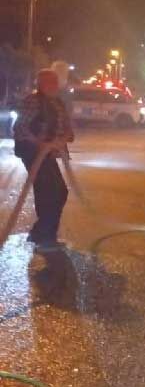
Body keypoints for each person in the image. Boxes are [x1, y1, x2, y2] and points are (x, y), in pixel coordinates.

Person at [13, 68, 75, 252]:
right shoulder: (33, 101)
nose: (54, 85)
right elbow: (20, 127)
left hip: (49, 154)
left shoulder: (57, 102)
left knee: (58, 192)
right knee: (51, 192)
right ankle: (45, 236)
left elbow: (66, 127)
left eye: (55, 81)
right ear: (40, 84)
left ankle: (42, 232)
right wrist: (39, 143)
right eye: (49, 82)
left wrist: (65, 137)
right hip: (35, 154)